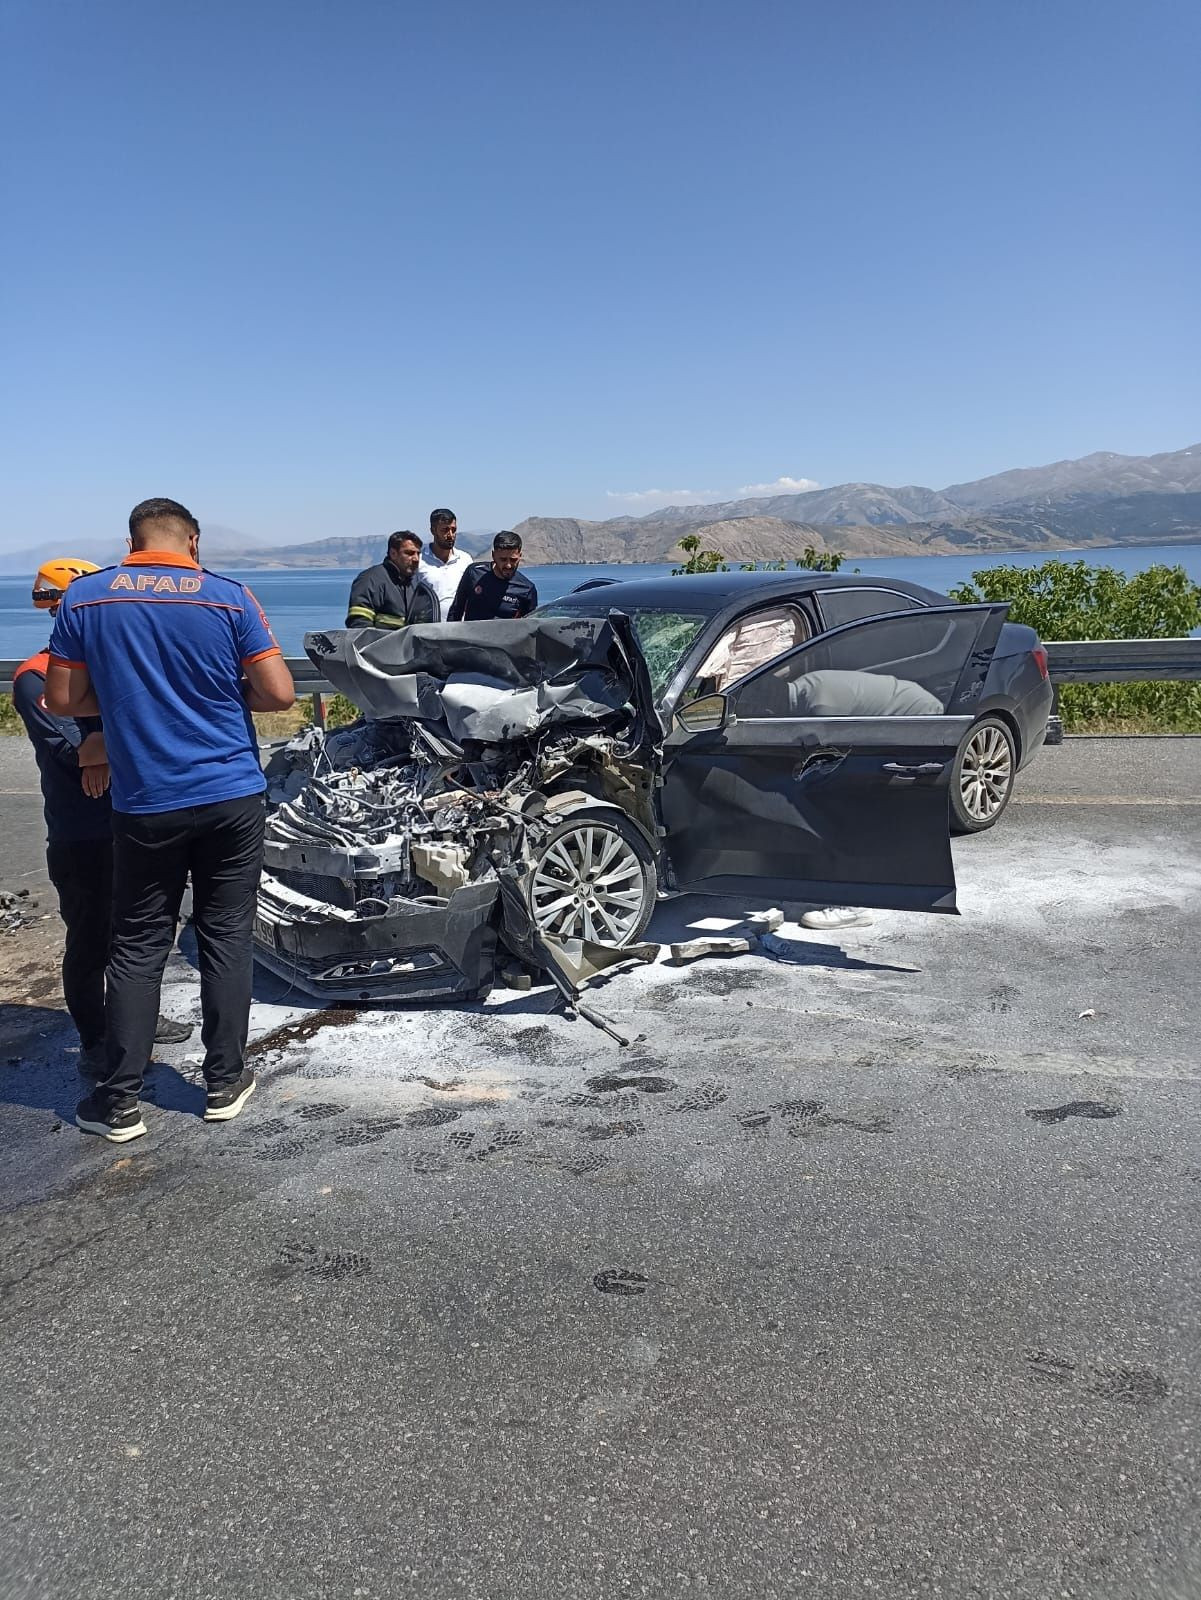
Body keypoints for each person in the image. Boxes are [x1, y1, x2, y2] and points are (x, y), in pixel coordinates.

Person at [45, 498, 296, 1142]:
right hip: (231, 793)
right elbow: (277, 693)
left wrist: (134, 698)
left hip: (146, 801)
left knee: (137, 945)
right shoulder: (230, 597)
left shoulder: (87, 598)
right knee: (225, 937)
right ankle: (223, 1082)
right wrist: (212, 691)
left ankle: (120, 1099)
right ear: (193, 540)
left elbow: (62, 698)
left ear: (132, 541)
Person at [13, 560, 193, 1080]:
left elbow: (149, 728)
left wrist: (107, 749)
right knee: (91, 939)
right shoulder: (35, 677)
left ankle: (134, 1020)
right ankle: (96, 1040)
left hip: (136, 817)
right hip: (82, 830)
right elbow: (75, 753)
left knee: (141, 934)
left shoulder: (112, 671)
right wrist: (123, 743)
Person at [345, 531, 439, 629]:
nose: (416, 559)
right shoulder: (370, 580)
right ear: (393, 553)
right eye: (409, 553)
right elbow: (359, 626)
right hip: (379, 644)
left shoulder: (415, 585)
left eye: (418, 554)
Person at [447, 531, 538, 622]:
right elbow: (456, 610)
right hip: (471, 635)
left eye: (513, 560)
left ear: (520, 556)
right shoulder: (474, 573)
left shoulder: (527, 589)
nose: (508, 565)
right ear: (493, 556)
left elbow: (529, 626)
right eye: (503, 559)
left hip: (506, 636)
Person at [418, 507, 472, 616]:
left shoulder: (465, 560)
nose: (451, 535)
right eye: (445, 530)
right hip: (429, 628)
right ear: (433, 530)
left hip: (459, 627)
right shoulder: (419, 561)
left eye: (453, 530)